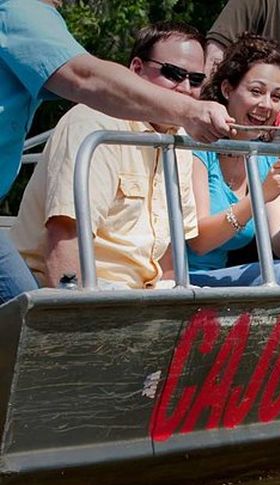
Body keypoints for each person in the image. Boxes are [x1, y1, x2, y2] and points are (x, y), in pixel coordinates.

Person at [0, 0, 233, 304]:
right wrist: (79, 329)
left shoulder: (179, 143)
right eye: (173, 73)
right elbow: (84, 77)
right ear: (136, 68)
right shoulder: (17, 10)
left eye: (196, 80)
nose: (186, 87)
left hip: (136, 300)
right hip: (87, 295)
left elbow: (166, 264)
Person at [187, 35, 280, 287]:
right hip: (177, 277)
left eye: (276, 96)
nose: (266, 105)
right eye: (256, 92)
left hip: (216, 279)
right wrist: (258, 195)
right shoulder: (198, 146)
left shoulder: (262, 158)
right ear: (227, 89)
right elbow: (199, 242)